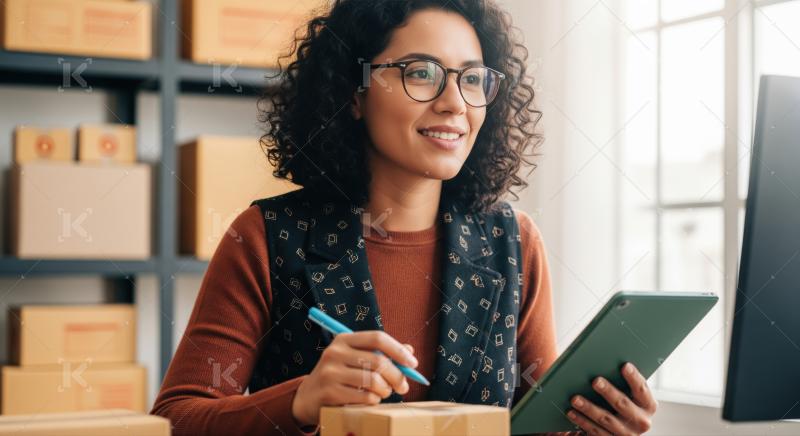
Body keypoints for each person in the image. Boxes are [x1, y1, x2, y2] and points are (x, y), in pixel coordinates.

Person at [151, 1, 658, 435]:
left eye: (473, 79)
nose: (454, 103)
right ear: (354, 93)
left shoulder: (514, 241)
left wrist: (598, 423)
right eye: (421, 73)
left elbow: (534, 426)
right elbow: (178, 420)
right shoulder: (265, 236)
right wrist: (303, 400)